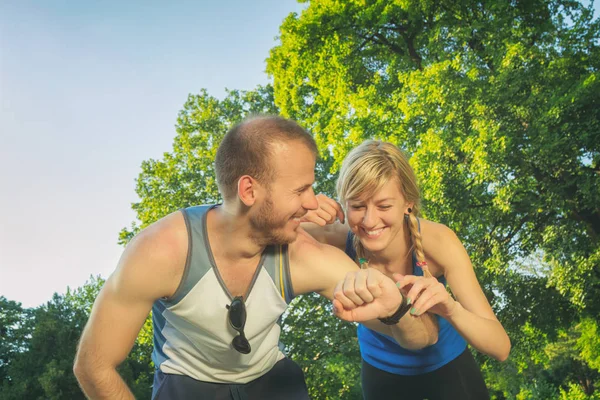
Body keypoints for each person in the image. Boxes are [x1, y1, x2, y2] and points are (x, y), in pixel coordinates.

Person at [73, 116, 438, 400]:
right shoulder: (161, 251)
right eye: (301, 190)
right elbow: (94, 364)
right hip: (187, 384)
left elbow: (420, 338)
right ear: (249, 190)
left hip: (270, 381)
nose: (315, 203)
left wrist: (396, 308)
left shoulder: (302, 256)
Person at [302, 140, 511, 400]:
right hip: (382, 373)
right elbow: (257, 235)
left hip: (448, 366)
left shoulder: (439, 242)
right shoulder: (332, 234)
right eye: (357, 206)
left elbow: (501, 347)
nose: (369, 220)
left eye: (384, 206)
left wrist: (451, 309)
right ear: (344, 204)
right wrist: (300, 212)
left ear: (407, 203)